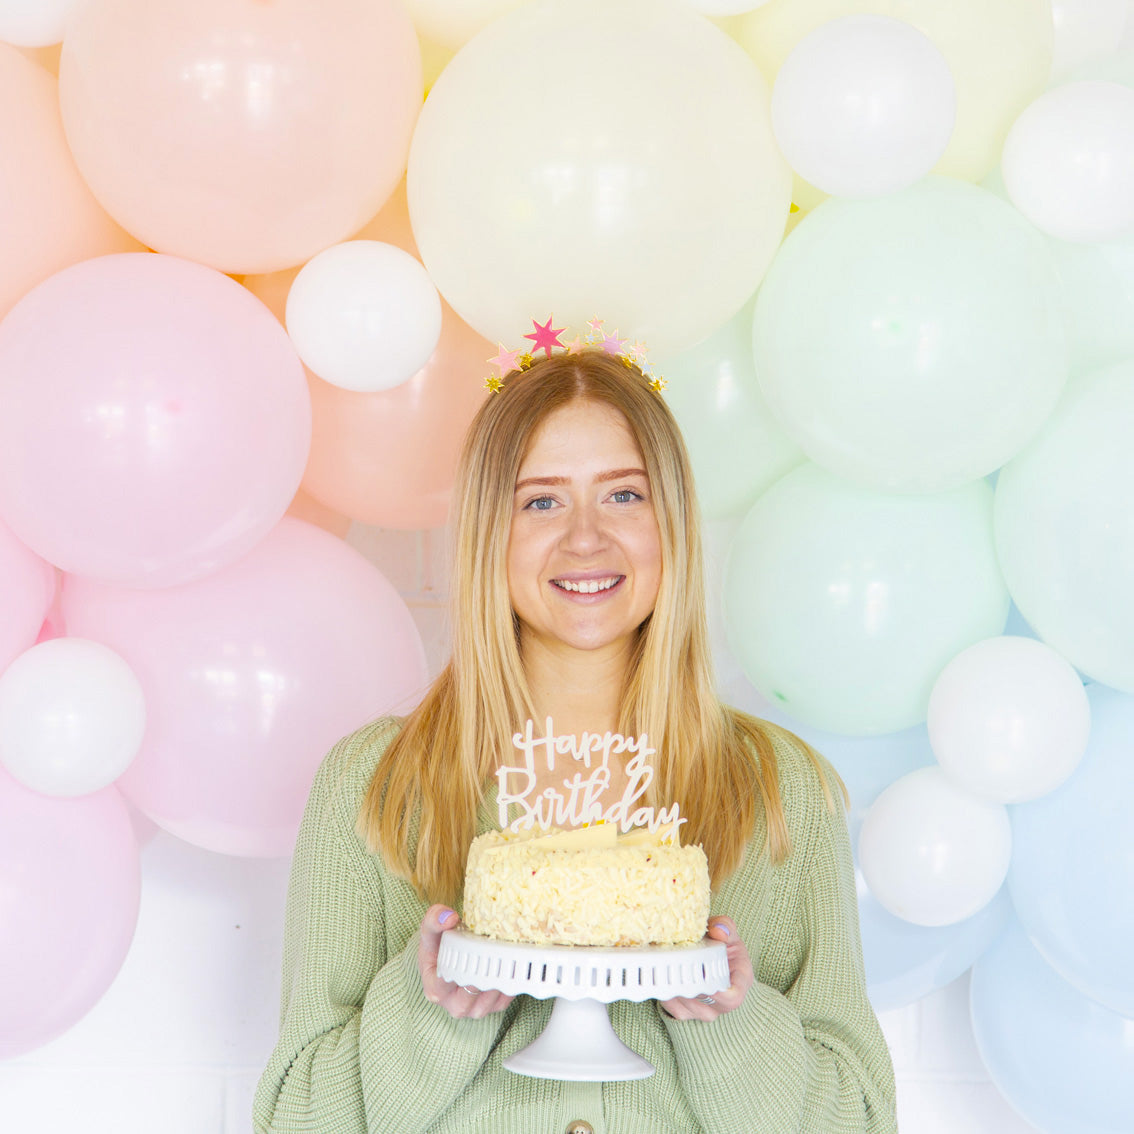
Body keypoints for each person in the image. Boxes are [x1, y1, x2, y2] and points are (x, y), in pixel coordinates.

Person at [253, 341, 898, 1134]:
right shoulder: (377, 787)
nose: (586, 539)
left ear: (674, 521)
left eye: (624, 496)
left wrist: (730, 1021)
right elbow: (298, 1121)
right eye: (541, 502)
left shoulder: (780, 789)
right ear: (490, 531)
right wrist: (432, 1013)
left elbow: (859, 1121)